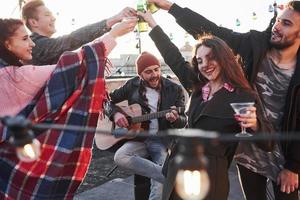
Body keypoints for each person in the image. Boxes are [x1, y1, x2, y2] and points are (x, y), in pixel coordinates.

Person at [147, 0, 300, 199]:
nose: (276, 26)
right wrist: (168, 8)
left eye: (286, 24)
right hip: (244, 155)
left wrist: (294, 166)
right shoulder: (254, 46)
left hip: (285, 151)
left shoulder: (242, 96)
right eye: (278, 20)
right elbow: (210, 33)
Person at [0, 17, 137, 199]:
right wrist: (114, 33)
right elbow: (78, 63)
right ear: (7, 44)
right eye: (25, 39)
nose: (32, 43)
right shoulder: (15, 77)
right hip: (16, 173)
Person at [105, 51, 187, 200]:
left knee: (158, 185)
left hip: (162, 140)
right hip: (140, 139)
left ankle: (164, 177)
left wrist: (175, 119)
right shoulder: (132, 85)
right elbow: (106, 101)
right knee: (120, 157)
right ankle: (168, 176)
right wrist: (115, 114)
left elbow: (183, 120)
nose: (154, 74)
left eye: (157, 69)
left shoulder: (174, 89)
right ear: (140, 75)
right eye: (148, 72)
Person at [21, 0, 136, 65]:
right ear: (33, 22)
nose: (53, 18)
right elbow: (73, 39)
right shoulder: (36, 45)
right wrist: (114, 21)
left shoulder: (45, 46)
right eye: (47, 15)